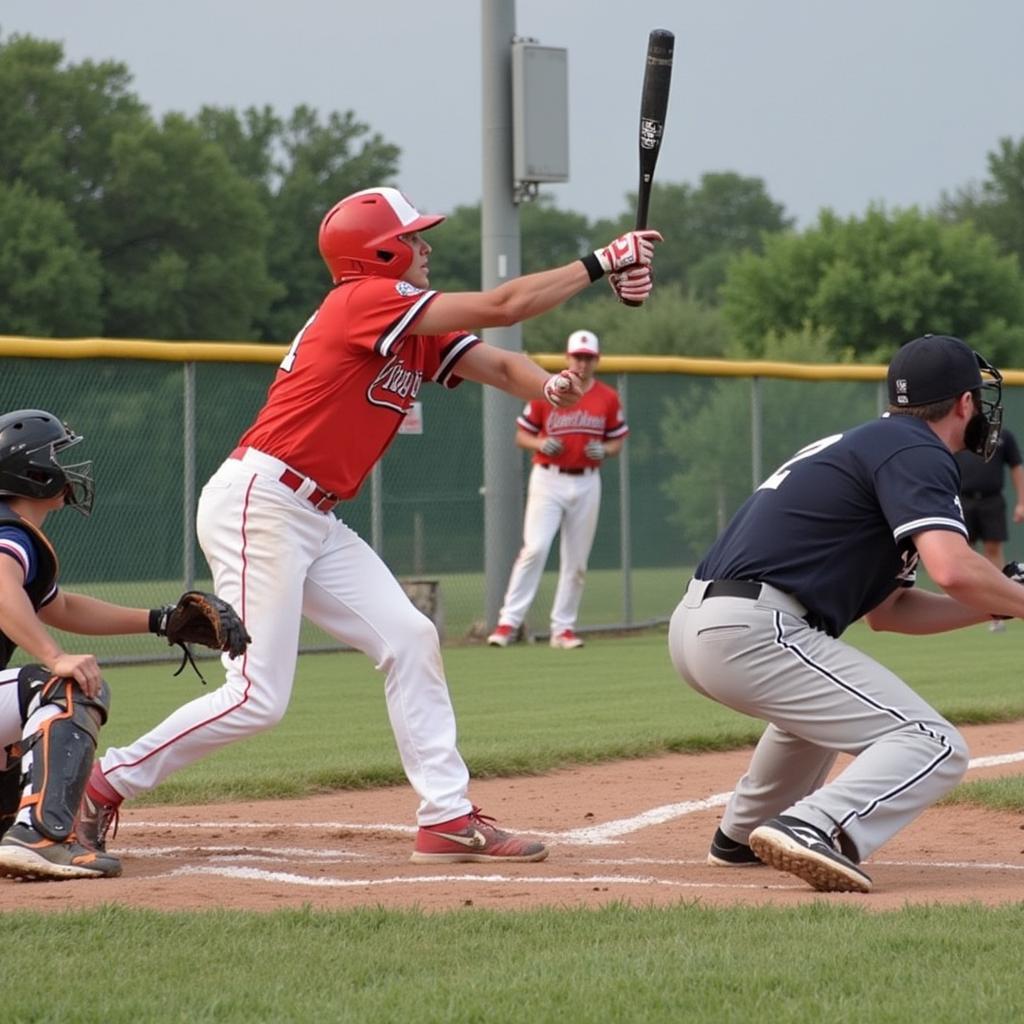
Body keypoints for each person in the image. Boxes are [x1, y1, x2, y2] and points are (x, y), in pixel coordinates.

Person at [77, 186, 662, 864]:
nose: (427, 247)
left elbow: (502, 364)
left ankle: (446, 817)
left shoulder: (409, 325)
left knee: (411, 637)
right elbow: (505, 305)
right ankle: (99, 784)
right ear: (380, 252)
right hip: (262, 501)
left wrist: (552, 386)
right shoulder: (364, 301)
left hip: (314, 515)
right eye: (414, 238)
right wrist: (601, 262)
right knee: (258, 697)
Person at [667, 334, 1024, 894]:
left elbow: (890, 611)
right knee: (933, 743)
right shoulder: (917, 450)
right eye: (976, 397)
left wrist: (1000, 603)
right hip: (754, 629)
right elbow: (952, 567)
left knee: (816, 714)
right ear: (962, 404)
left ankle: (740, 836)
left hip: (709, 623)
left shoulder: (879, 442)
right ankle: (811, 824)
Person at [0, 409, 247, 881]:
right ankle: (43, 837)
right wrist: (54, 656)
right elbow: (2, 586)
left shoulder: (12, 530)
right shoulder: (9, 534)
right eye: (56, 456)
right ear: (31, 471)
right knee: (67, 687)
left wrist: (160, 620)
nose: (68, 469)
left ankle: (22, 833)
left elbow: (63, 608)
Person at [487, 329, 628, 650]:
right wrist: (539, 442)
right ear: (567, 357)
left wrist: (605, 450)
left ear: (596, 360)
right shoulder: (550, 390)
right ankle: (508, 622)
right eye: (577, 356)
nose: (582, 363)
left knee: (576, 560)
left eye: (588, 357)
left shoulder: (606, 397)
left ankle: (563, 628)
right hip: (548, 478)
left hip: (587, 480)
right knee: (534, 548)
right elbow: (522, 436)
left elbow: (617, 439)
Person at [955, 428, 1024, 631]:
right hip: (962, 499)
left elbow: (1016, 466)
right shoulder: (959, 432)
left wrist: (1022, 502)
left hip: (992, 500)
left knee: (993, 550)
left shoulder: (1003, 436)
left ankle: (999, 608)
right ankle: (962, 606)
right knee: (961, 551)